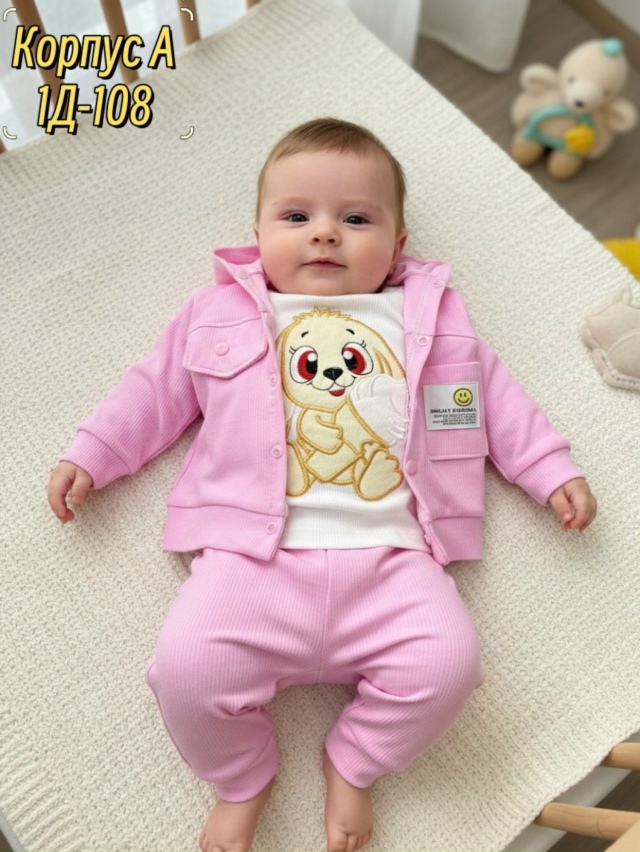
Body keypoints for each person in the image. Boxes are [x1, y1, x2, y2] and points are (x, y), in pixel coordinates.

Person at [48, 118, 597, 852]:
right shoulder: (220, 314)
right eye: (297, 216)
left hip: (395, 564)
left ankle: (354, 759)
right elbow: (152, 393)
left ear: (398, 246)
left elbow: (495, 404)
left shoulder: (428, 322)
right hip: (251, 562)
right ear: (258, 234)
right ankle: (242, 777)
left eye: (357, 219)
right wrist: (94, 452)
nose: (326, 234)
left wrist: (551, 469)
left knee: (449, 668)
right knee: (186, 672)